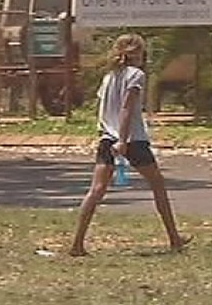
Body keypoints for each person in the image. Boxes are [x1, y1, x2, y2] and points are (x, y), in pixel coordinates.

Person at [70, 33, 191, 256]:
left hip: (107, 137)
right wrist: (123, 141)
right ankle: (174, 238)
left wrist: (105, 133)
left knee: (96, 190)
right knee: (158, 185)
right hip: (131, 139)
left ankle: (77, 244)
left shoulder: (109, 77)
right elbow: (127, 108)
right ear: (139, 54)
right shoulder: (136, 75)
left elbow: (103, 108)